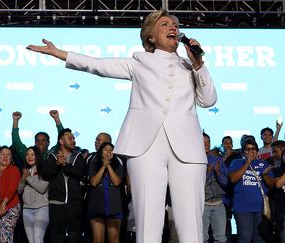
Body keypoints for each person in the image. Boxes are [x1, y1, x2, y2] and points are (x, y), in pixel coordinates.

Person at [28, 9, 217, 243]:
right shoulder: (139, 63)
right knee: (148, 222)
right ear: (150, 37)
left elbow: (208, 100)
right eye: (165, 24)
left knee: (191, 224)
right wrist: (59, 53)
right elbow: (97, 65)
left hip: (188, 148)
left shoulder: (190, 67)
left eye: (175, 26)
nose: (173, 28)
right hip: (145, 147)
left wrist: (199, 65)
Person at [40, 128, 86, 243]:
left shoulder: (78, 156)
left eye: (74, 138)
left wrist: (64, 165)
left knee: (74, 237)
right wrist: (56, 164)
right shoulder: (52, 156)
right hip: (56, 204)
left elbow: (80, 173)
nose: (73, 140)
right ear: (61, 141)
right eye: (70, 138)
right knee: (56, 237)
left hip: (74, 204)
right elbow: (46, 174)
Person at [228, 140, 274, 243]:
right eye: (247, 149)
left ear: (257, 151)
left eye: (253, 149)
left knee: (259, 238)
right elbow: (233, 179)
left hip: (260, 207)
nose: (250, 151)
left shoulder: (263, 164)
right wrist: (247, 163)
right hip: (242, 208)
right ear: (243, 152)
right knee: (244, 238)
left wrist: (265, 175)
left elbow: (271, 185)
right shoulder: (237, 162)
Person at [88, 142, 125, 243]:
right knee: (98, 240)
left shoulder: (118, 163)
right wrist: (103, 166)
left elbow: (117, 182)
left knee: (114, 239)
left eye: (111, 149)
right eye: (105, 149)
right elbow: (94, 182)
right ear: (101, 151)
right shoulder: (94, 163)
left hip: (114, 208)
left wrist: (108, 165)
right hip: (97, 207)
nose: (108, 152)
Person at [17, 146, 49, 243]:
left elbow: (42, 188)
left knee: (38, 239)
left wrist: (28, 178)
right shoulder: (25, 170)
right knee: (31, 241)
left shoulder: (44, 169)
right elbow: (19, 191)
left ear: (37, 156)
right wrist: (23, 178)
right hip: (27, 210)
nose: (29, 157)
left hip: (42, 208)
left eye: (32, 154)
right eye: (27, 155)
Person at [203, 133, 228, 243]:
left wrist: (218, 173)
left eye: (208, 141)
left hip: (218, 205)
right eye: (203, 142)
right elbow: (194, 186)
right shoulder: (193, 161)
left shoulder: (217, 160)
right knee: (202, 239)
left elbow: (225, 182)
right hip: (202, 205)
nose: (206, 144)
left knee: (221, 239)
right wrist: (208, 173)